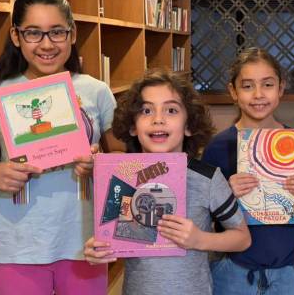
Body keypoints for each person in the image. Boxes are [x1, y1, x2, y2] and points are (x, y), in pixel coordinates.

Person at [0, 0, 123, 294]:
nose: (46, 44)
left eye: (57, 32)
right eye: (33, 33)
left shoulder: (96, 91)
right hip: (16, 244)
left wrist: (99, 162)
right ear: (15, 36)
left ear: (72, 35)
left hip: (84, 241)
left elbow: (125, 162)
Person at [84, 69, 252, 295]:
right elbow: (114, 239)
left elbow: (242, 239)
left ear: (189, 124)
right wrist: (99, 250)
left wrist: (200, 239)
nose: (158, 119)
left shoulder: (207, 178)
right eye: (146, 110)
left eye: (171, 110)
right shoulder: (122, 178)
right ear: (133, 126)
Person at [202, 47, 294, 294]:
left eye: (267, 85)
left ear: (280, 88)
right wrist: (224, 194)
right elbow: (204, 214)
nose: (258, 94)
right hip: (234, 267)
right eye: (247, 86)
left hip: (287, 266)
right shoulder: (218, 146)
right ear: (233, 91)